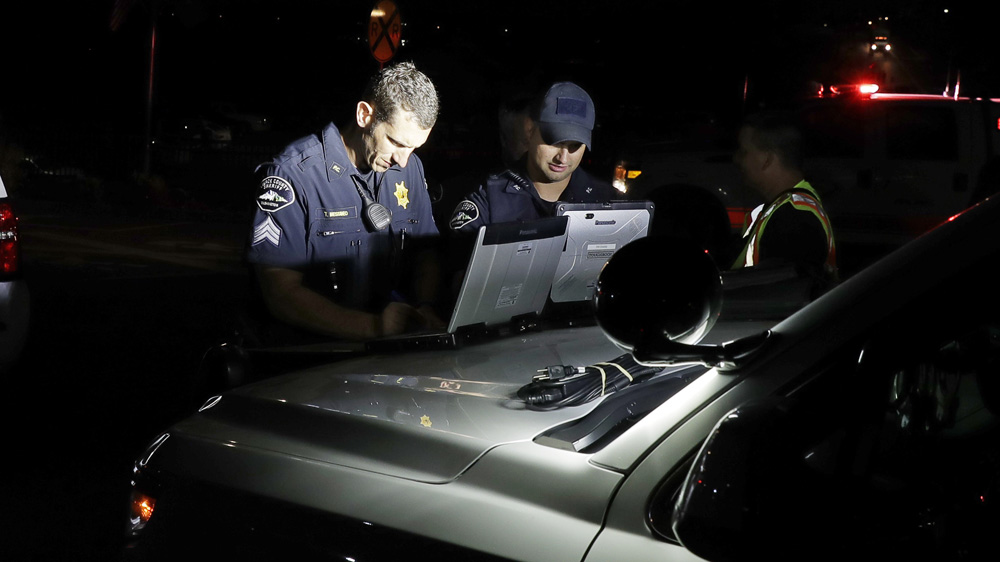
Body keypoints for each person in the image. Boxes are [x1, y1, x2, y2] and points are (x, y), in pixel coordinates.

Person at [245, 61, 443, 342]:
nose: (403, 160)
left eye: (414, 148)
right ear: (364, 115)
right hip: (312, 355)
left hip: (390, 354)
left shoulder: (409, 169)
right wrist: (374, 328)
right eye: (397, 143)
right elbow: (280, 293)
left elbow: (426, 252)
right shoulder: (293, 176)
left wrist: (425, 308)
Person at [448, 81, 617, 233]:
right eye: (554, 142)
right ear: (530, 130)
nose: (563, 158)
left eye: (575, 146)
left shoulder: (608, 200)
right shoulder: (489, 200)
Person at [728, 110, 838, 297]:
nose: (736, 159)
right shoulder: (785, 208)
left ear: (767, 159)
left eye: (744, 152)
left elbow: (780, 296)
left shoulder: (795, 218)